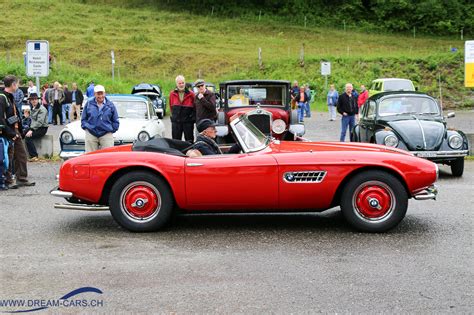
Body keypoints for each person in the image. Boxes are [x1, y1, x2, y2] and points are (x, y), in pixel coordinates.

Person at [1, 75, 35, 188]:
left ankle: (21, 178)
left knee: (21, 155)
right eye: (18, 83)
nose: (19, 86)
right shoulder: (2, 97)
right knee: (8, 156)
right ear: (13, 84)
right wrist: (11, 133)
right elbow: (1, 118)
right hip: (8, 132)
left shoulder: (10, 96)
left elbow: (15, 116)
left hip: (16, 130)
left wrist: (20, 131)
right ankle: (8, 180)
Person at [81, 85, 119, 152]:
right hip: (91, 133)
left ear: (105, 93)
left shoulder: (110, 105)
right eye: (98, 94)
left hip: (106, 133)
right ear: (94, 94)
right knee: (90, 156)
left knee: (108, 155)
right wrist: (86, 127)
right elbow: (83, 119)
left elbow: (115, 120)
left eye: (102, 93)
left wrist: (112, 130)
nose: (100, 96)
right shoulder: (89, 104)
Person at [169, 75, 195, 142]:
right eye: (179, 83)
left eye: (183, 83)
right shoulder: (172, 94)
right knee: (175, 141)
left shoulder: (191, 94)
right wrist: (174, 118)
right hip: (176, 123)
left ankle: (189, 152)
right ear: (176, 84)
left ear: (185, 83)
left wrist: (191, 118)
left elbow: (195, 108)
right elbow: (171, 107)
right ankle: (177, 153)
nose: (181, 85)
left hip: (188, 122)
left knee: (189, 141)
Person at [24, 93, 48, 161]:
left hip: (42, 128)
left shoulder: (42, 109)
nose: (34, 100)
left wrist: (31, 129)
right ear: (30, 101)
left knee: (28, 137)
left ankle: (34, 156)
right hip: (35, 127)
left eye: (35, 99)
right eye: (32, 99)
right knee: (22, 133)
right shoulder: (33, 108)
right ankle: (21, 155)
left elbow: (40, 122)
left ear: (38, 100)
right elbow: (33, 121)